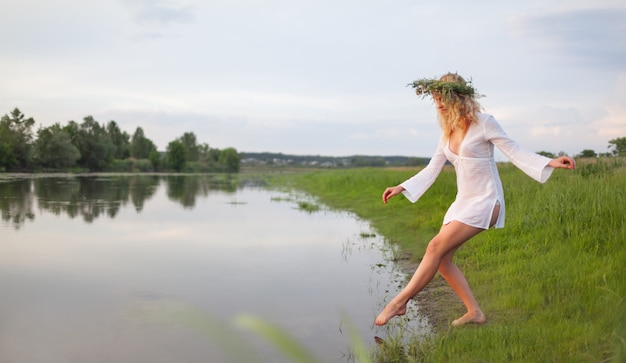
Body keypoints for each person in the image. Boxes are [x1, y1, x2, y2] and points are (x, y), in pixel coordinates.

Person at [374, 73, 576, 327]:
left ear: (460, 96)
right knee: (444, 261)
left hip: (486, 200)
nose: (438, 104)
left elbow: (513, 150)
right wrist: (402, 186)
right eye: (435, 98)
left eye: (443, 97)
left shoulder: (484, 122)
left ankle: (399, 302)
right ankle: (475, 312)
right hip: (463, 202)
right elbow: (433, 167)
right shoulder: (447, 132)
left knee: (434, 248)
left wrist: (550, 162)